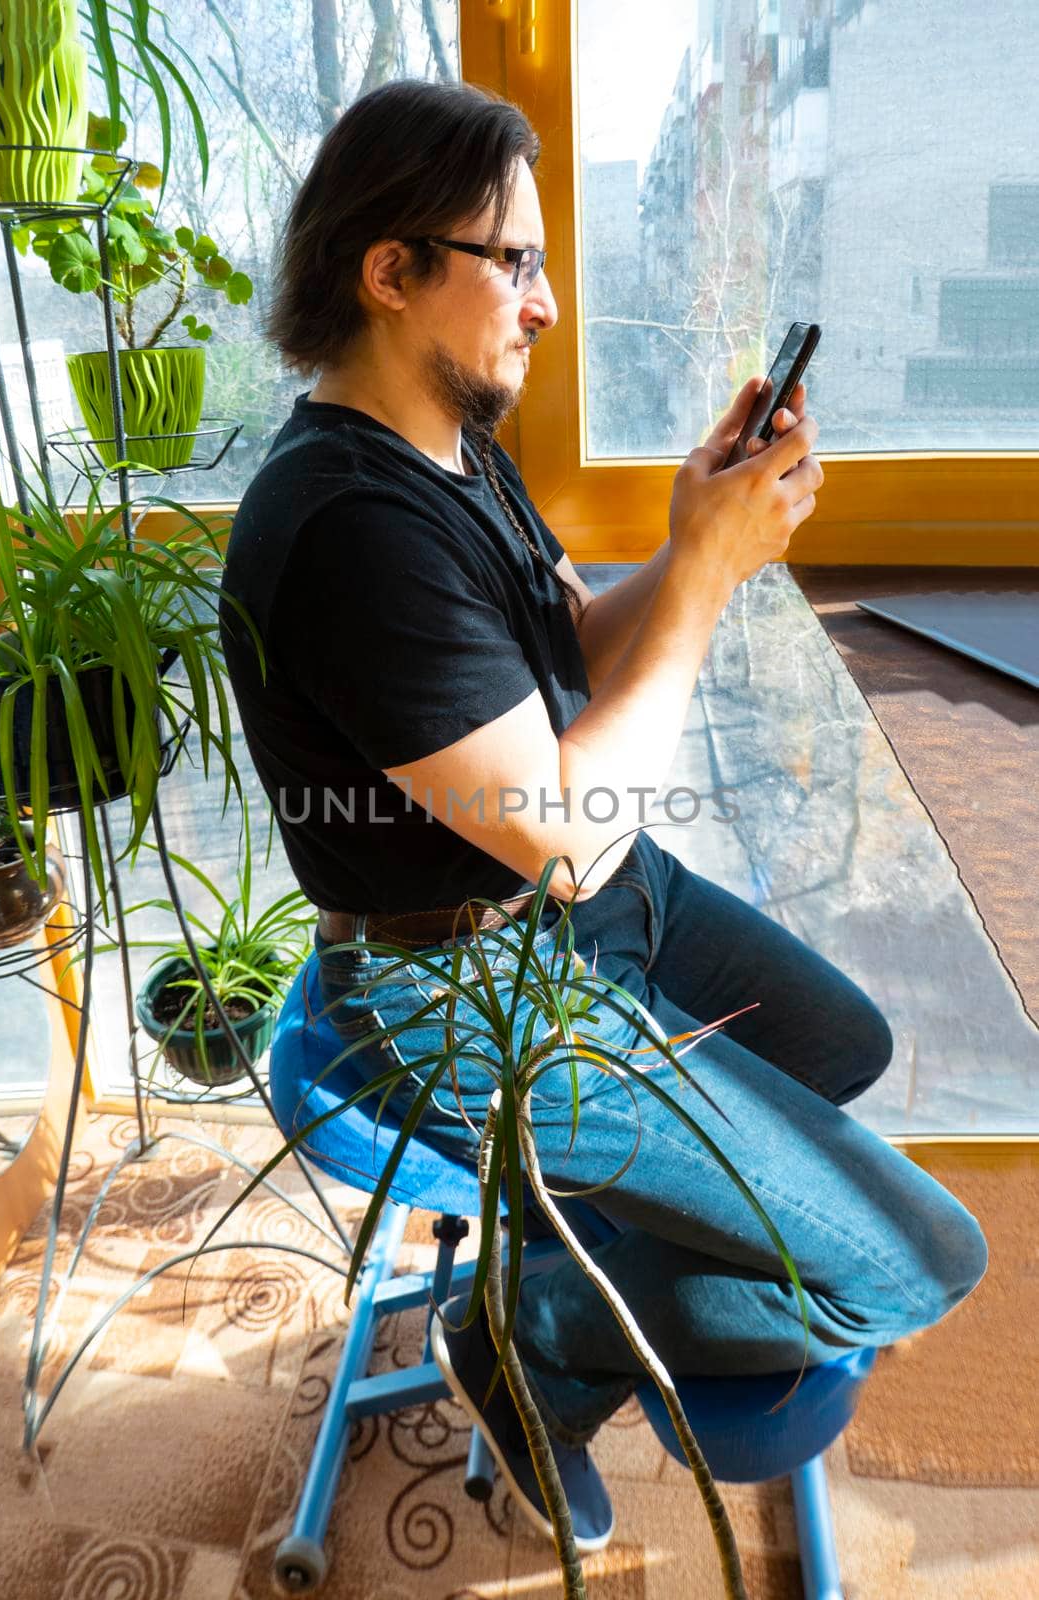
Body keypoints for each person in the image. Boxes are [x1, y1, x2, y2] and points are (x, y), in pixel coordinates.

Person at [219, 78, 988, 1553]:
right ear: (388, 270)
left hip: (590, 910)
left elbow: (577, 648)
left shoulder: (446, 452)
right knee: (918, 1259)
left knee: (844, 1046)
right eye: (512, 261)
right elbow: (561, 828)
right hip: (460, 982)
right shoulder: (344, 535)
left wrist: (707, 539)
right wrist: (706, 576)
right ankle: (528, 1329)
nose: (550, 301)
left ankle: (559, 1290)